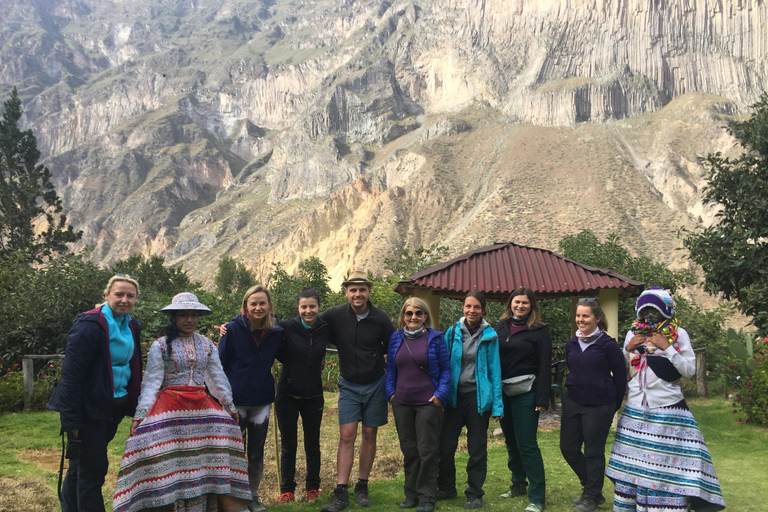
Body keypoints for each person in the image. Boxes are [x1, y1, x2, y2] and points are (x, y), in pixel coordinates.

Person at [112, 293, 251, 512]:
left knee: (211, 449)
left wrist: (229, 406)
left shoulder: (206, 345)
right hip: (171, 408)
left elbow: (217, 378)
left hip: (200, 405)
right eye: (184, 315)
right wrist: (140, 415)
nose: (189, 319)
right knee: (170, 456)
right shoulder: (160, 346)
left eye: (194, 315)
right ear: (174, 318)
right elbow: (152, 382)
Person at [606, 287, 725, 512]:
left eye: (655, 311)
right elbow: (622, 369)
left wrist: (667, 347)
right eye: (645, 311)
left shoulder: (678, 334)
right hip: (635, 410)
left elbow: (689, 370)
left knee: (667, 466)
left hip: (667, 409)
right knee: (634, 466)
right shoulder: (633, 333)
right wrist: (627, 349)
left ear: (666, 312)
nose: (650, 316)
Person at [47, 274, 143, 512]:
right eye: (119, 294)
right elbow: (71, 375)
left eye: (130, 296)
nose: (124, 300)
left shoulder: (132, 325)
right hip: (88, 409)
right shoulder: (90, 324)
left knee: (81, 467)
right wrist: (71, 420)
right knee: (94, 471)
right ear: (106, 295)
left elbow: (134, 363)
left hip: (114, 407)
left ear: (136, 299)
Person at [319, 270, 396, 512]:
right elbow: (310, 325)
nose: (357, 294)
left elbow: (391, 347)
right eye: (353, 289)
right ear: (346, 292)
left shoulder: (381, 319)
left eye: (362, 289)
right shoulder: (334, 314)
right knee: (347, 435)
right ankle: (341, 490)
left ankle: (362, 485)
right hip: (349, 384)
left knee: (370, 434)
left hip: (375, 383)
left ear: (369, 291)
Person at [220, 285, 284, 512]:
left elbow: (286, 354)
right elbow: (220, 364)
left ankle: (253, 496)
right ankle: (234, 500)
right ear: (246, 306)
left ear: (269, 306)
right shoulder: (233, 329)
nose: (258, 307)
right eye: (253, 303)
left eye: (262, 303)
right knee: (235, 453)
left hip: (262, 400)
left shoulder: (276, 331)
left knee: (256, 452)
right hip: (235, 401)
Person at [436, 291, 503, 510]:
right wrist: (440, 394)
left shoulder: (490, 335)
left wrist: (497, 406)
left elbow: (495, 371)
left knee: (477, 449)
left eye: (476, 307)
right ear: (463, 308)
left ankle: (474, 493)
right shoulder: (453, 331)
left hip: (478, 399)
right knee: (445, 446)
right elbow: (443, 365)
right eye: (467, 306)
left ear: (483, 309)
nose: (471, 311)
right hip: (454, 398)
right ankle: (446, 487)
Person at [560, 298, 627, 512]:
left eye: (585, 316)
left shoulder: (608, 345)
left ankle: (591, 496)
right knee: (568, 448)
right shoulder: (571, 343)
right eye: (578, 316)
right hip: (573, 402)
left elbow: (620, 377)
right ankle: (592, 490)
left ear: (597, 318)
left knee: (593, 452)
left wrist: (613, 405)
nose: (580, 320)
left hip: (599, 405)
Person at [385, 297, 451, 512]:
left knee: (427, 451)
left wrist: (440, 394)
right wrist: (391, 394)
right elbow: (390, 370)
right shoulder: (396, 338)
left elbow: (446, 370)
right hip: (402, 402)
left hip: (427, 403)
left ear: (425, 316)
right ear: (403, 316)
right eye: (409, 313)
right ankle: (410, 494)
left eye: (418, 313)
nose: (413, 317)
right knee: (409, 450)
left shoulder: (436, 339)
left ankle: (427, 497)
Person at [494, 288, 552, 512]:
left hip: (527, 392)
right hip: (503, 392)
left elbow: (545, 365)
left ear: (532, 306)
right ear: (510, 304)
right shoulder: (499, 328)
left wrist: (542, 397)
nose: (520, 306)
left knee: (527, 445)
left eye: (525, 303)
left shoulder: (540, 331)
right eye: (517, 302)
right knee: (511, 442)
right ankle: (518, 483)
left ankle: (537, 498)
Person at [275, 288, 330, 504]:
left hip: (314, 395)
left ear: (319, 308)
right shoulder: (286, 327)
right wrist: (227, 328)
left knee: (312, 444)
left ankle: (312, 488)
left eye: (312, 306)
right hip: (287, 395)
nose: (308, 311)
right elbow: (260, 329)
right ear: (298, 308)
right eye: (304, 307)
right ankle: (287, 490)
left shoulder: (325, 328)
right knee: (289, 444)